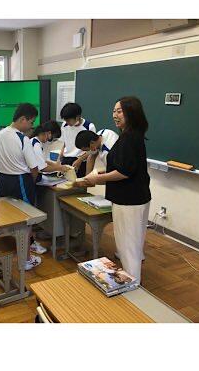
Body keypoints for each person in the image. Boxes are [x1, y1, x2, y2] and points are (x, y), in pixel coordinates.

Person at [84, 97, 151, 283]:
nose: (115, 115)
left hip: (129, 200)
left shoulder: (129, 138)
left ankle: (132, 287)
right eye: (114, 111)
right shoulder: (131, 134)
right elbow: (125, 166)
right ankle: (133, 282)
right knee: (133, 245)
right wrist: (101, 173)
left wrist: (97, 178)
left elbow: (124, 172)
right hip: (137, 197)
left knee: (128, 248)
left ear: (132, 112)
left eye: (119, 111)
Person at [0, 103, 43, 270]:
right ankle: (26, 260)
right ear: (23, 119)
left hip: (3, 180)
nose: (31, 126)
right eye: (31, 122)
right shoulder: (23, 139)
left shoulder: (0, 134)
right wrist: (32, 182)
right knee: (26, 221)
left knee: (8, 218)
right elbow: (34, 168)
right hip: (20, 181)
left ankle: (11, 252)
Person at [29, 125, 71, 255]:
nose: (50, 140)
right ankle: (30, 242)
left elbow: (44, 161)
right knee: (30, 212)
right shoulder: (36, 144)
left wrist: (57, 165)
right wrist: (60, 168)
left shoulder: (33, 141)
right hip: (32, 180)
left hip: (31, 179)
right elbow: (42, 168)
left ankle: (35, 235)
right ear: (48, 133)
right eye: (51, 137)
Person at [59, 102, 96, 177]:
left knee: (79, 182)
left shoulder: (89, 126)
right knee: (64, 182)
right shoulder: (64, 125)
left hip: (81, 160)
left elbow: (93, 148)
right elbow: (65, 143)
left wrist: (80, 160)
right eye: (65, 120)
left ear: (77, 117)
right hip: (66, 159)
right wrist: (60, 156)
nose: (67, 122)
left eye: (68, 120)